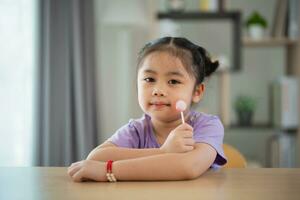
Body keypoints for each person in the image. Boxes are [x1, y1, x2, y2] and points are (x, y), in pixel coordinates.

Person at [68, 37, 227, 182]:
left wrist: (107, 171)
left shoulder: (208, 126)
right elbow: (95, 158)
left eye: (173, 81)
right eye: (149, 79)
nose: (158, 90)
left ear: (197, 92)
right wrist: (163, 152)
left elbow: (188, 166)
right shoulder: (136, 130)